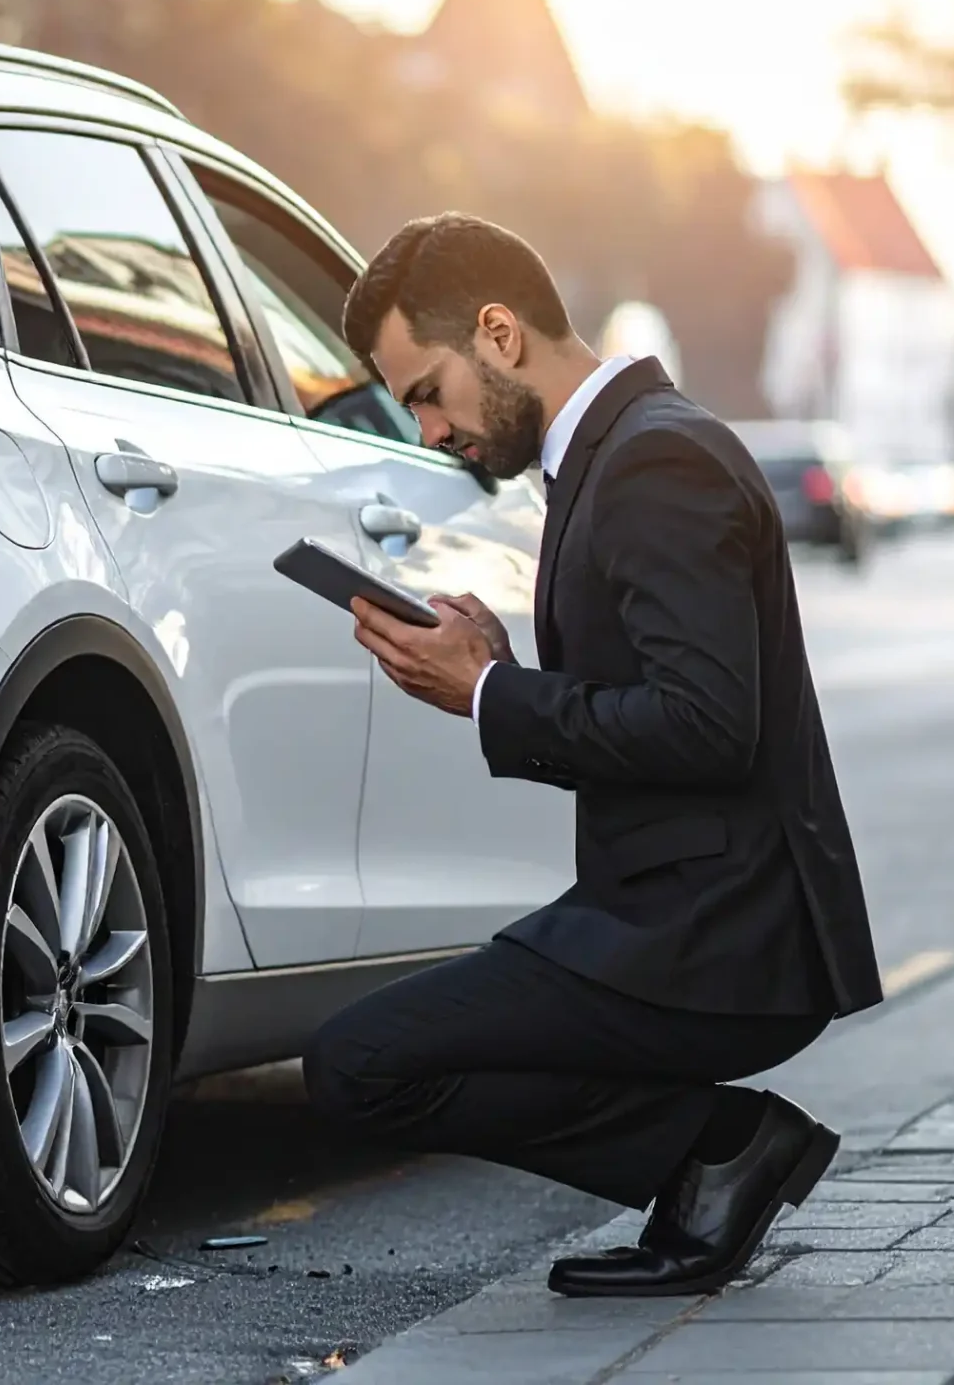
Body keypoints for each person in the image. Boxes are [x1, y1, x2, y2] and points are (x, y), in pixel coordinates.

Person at [302, 213, 882, 1298]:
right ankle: (713, 1157)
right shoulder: (616, 454)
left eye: (427, 390)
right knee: (374, 1050)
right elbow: (661, 699)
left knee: (355, 1064)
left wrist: (486, 692)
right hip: (666, 914)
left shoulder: (656, 458)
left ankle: (720, 1148)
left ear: (497, 332)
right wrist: (497, 666)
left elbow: (710, 725)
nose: (427, 430)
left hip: (714, 933)